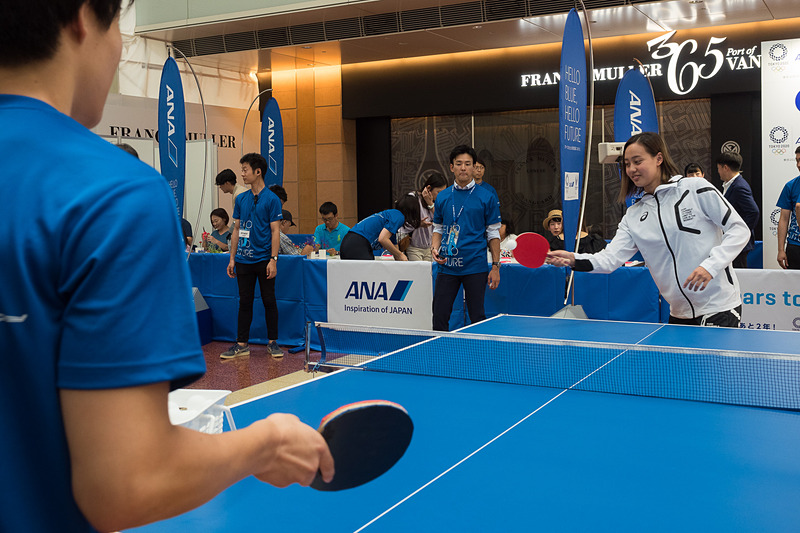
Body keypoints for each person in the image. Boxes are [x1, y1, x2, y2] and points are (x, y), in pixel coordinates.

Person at [0, 3, 333, 532]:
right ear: (84, 19)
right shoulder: (110, 193)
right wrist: (262, 444)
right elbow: (127, 483)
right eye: (120, 32)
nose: (118, 52)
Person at [548, 132, 749, 327]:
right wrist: (573, 259)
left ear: (658, 158)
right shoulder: (633, 215)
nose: (631, 169)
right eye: (627, 164)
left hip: (718, 308)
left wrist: (710, 266)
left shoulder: (695, 188)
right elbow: (609, 260)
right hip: (679, 313)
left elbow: (739, 229)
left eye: (637, 161)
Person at [221, 153, 286, 360]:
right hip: (243, 260)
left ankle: (273, 342)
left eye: (245, 169)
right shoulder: (241, 199)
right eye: (242, 169)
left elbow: (276, 231)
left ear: (258, 172)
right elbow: (237, 230)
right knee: (245, 302)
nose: (242, 173)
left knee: (269, 300)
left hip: (264, 259)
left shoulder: (272, 199)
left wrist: (273, 260)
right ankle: (241, 344)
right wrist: (232, 258)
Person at [431, 145, 502, 331]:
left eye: (468, 164)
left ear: (474, 167)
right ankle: (440, 354)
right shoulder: (443, 196)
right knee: (439, 314)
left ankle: (477, 356)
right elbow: (438, 227)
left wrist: (495, 266)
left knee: (477, 315)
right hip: (447, 265)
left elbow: (493, 234)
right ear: (451, 167)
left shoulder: (487, 197)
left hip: (475, 265)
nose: (463, 168)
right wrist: (434, 247)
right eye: (459, 163)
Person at [340, 195, 421, 260]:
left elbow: (394, 248)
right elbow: (382, 239)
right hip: (358, 243)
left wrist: (399, 256)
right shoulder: (399, 216)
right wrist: (400, 255)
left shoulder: (391, 217)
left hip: (350, 242)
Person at [717, 152, 759, 268]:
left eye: (719, 168)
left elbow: (753, 212)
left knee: (739, 276)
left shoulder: (739, 186)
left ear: (725, 167)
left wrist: (741, 232)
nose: (718, 172)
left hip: (738, 244)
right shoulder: (730, 184)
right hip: (732, 241)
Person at [400, 172, 448, 261]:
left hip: (431, 248)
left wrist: (430, 204)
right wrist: (418, 224)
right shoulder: (412, 199)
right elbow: (403, 225)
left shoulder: (439, 203)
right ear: (429, 188)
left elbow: (443, 220)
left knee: (430, 274)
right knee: (417, 273)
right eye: (439, 192)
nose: (441, 196)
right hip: (414, 248)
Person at [776, 146, 800, 269]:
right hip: (795, 246)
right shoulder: (790, 186)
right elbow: (784, 219)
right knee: (795, 287)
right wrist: (781, 249)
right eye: (797, 160)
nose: (799, 164)